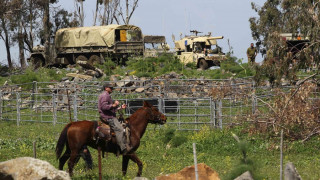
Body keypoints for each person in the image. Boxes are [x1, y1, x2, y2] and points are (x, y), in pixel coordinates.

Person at [98, 83, 131, 154]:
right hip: (108, 117)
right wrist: (115, 104)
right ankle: (123, 148)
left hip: (110, 115)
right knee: (120, 130)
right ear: (106, 88)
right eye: (110, 88)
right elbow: (104, 107)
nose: (112, 89)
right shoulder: (105, 95)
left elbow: (111, 109)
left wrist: (120, 107)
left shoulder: (106, 95)